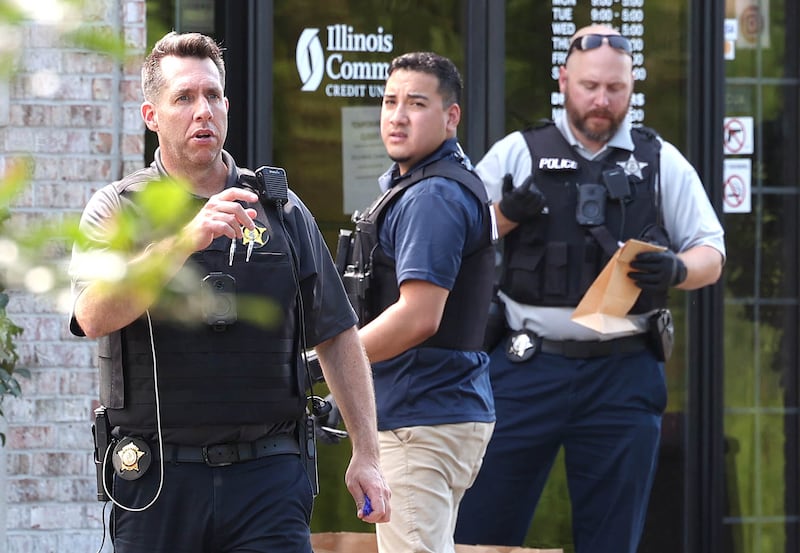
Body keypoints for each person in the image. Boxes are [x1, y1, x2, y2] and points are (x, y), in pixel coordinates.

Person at [68, 31, 390, 553]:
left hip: (268, 479)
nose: (203, 111)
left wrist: (367, 455)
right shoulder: (117, 210)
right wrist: (183, 243)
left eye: (213, 96)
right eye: (184, 98)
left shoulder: (281, 210)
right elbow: (92, 315)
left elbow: (337, 334)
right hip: (157, 482)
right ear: (152, 115)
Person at [454, 24, 725, 553]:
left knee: (612, 537)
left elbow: (710, 252)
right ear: (563, 81)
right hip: (525, 370)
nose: (601, 100)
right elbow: (456, 235)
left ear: (631, 89)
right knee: (481, 531)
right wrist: (505, 216)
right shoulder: (519, 151)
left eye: (615, 90)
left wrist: (676, 269)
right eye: (589, 86)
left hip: (622, 374)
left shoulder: (658, 160)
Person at [339, 51, 496, 553]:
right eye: (390, 101)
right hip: (434, 411)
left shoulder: (434, 198)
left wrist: (326, 363)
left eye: (417, 103)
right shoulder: (425, 185)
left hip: (421, 419)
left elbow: (419, 316)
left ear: (451, 117)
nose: (398, 115)